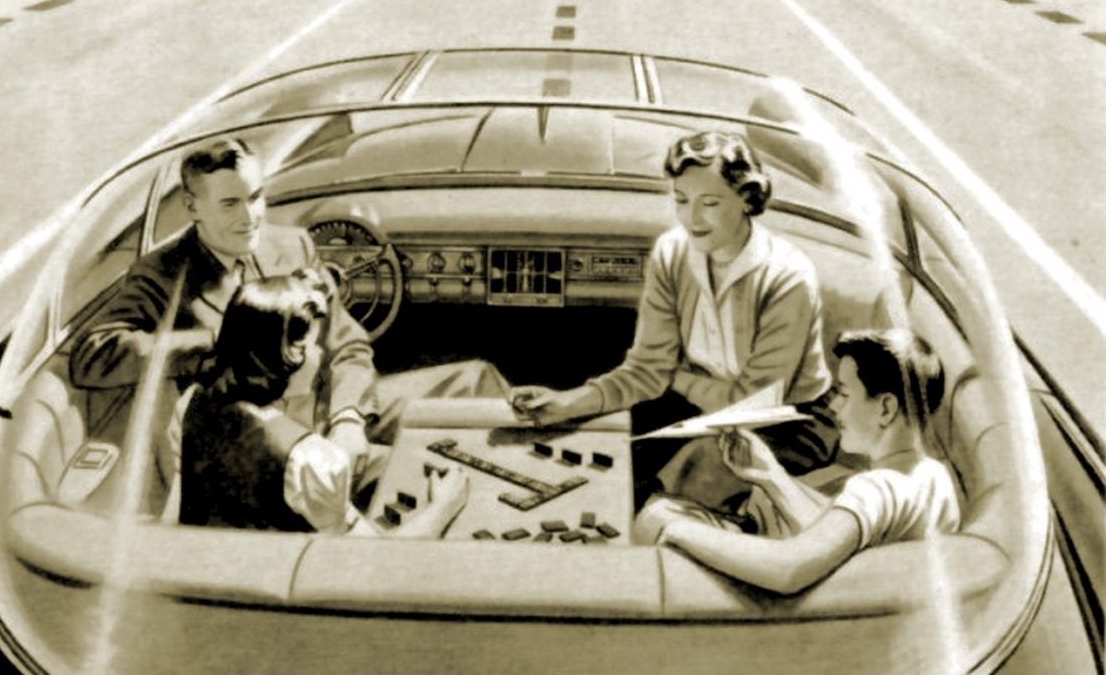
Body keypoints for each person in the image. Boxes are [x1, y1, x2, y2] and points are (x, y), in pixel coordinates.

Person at [70, 137, 506, 481]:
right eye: (230, 204)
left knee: (474, 380)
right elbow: (92, 353)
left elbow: (348, 344)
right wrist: (218, 341)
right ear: (191, 207)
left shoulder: (292, 244)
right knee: (429, 471)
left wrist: (348, 416)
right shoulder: (162, 273)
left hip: (329, 405)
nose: (250, 218)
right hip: (266, 438)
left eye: (256, 197)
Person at [510, 130, 838, 512]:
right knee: (607, 457)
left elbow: (750, 403)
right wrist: (568, 403)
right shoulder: (672, 252)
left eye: (709, 203)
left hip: (788, 422)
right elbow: (646, 370)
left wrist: (675, 378)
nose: (691, 218)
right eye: (681, 200)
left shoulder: (788, 275)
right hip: (699, 407)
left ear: (747, 199)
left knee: (689, 476)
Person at [637, 329, 960, 595]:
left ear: (886, 408)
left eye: (844, 394)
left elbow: (788, 569)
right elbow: (836, 536)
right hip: (857, 592)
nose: (834, 407)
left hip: (803, 608)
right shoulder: (933, 477)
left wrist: (676, 529)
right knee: (753, 499)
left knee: (657, 514)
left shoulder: (874, 489)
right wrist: (771, 476)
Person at [177, 270, 469, 537]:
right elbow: (376, 560)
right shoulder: (308, 459)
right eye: (314, 345)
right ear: (286, 356)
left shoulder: (195, 401)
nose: (321, 356)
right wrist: (443, 507)